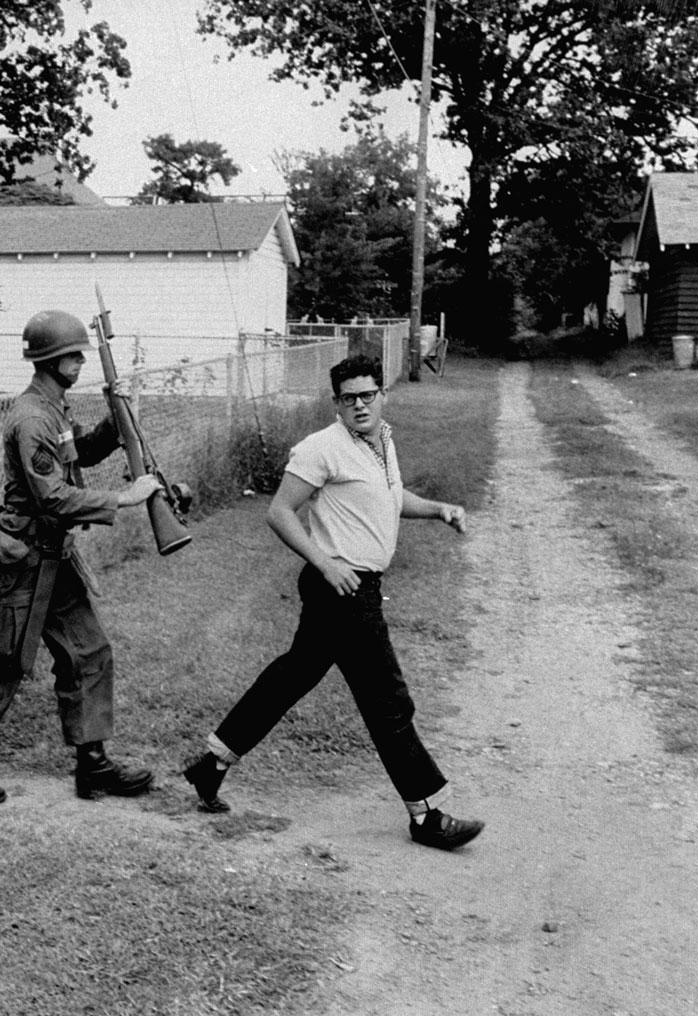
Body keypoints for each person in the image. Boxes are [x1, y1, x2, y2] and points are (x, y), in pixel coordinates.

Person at [182, 354, 485, 851]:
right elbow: (279, 512)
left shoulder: (382, 441)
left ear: (382, 394)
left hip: (352, 588)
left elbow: (390, 497)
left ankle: (212, 763)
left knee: (292, 676)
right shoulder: (322, 448)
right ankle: (426, 814)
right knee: (387, 699)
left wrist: (437, 510)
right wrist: (325, 563)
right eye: (350, 398)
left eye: (368, 394)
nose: (360, 405)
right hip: (342, 590)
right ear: (336, 403)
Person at [0, 309, 162, 805]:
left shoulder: (52, 407)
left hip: (54, 560)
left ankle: (93, 764)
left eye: (81, 353)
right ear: (51, 360)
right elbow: (52, 497)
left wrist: (115, 421)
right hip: (23, 562)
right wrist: (122, 498)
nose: (81, 361)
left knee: (90, 652)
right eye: (73, 355)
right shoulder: (32, 417)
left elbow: (76, 451)